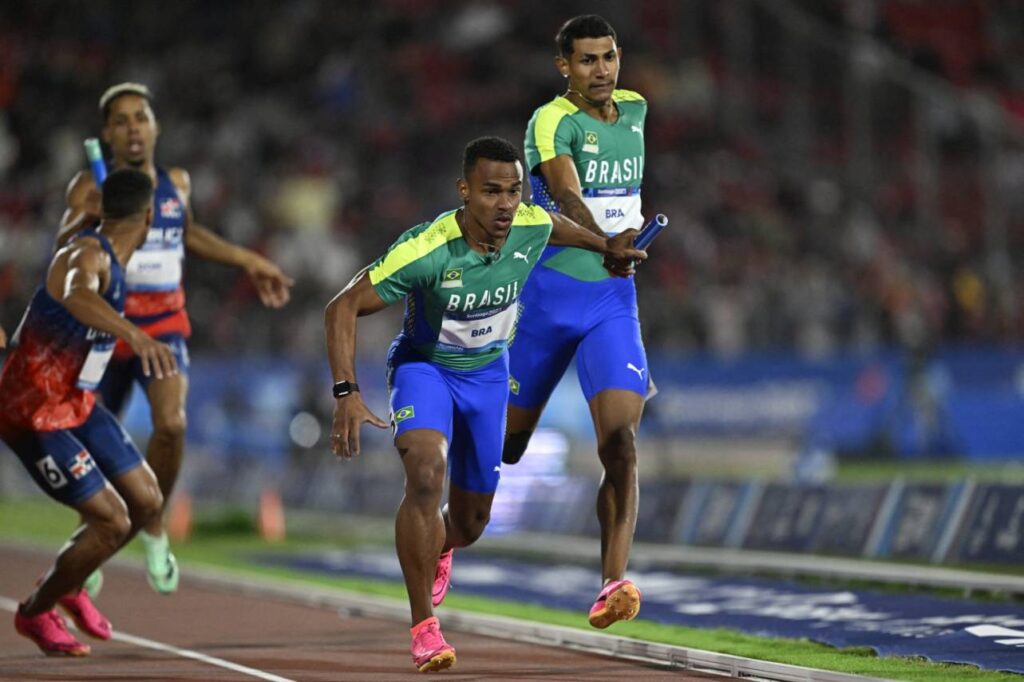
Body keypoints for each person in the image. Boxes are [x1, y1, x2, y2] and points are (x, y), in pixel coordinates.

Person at [325, 137, 643, 672]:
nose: (504, 204)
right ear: (464, 191)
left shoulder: (529, 224)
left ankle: (442, 543)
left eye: (514, 192)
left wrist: (605, 245)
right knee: (426, 474)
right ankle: (424, 627)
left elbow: (558, 227)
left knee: (471, 522)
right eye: (491, 191)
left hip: (490, 376)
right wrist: (346, 394)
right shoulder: (427, 248)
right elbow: (342, 306)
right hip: (425, 368)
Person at [58, 83, 294, 594]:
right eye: (120, 121)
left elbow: (188, 234)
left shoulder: (176, 184)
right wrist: (89, 217)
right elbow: (61, 251)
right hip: (105, 328)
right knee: (93, 439)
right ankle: (92, 534)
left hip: (163, 327)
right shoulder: (87, 187)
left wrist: (248, 259)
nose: (132, 128)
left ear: (155, 126)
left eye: (140, 117)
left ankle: (153, 523)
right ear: (107, 134)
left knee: (171, 425)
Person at [502, 14, 650, 629]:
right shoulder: (550, 119)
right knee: (504, 448)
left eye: (609, 57)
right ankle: (449, 532)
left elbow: (627, 195)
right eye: (587, 60)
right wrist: (604, 241)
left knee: (620, 443)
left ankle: (612, 583)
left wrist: (627, 239)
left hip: (612, 301)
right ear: (564, 66)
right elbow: (562, 196)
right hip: (547, 296)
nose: (601, 71)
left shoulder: (638, 110)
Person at [1, 169, 178, 656]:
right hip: (32, 411)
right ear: (146, 216)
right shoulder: (86, 254)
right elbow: (78, 294)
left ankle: (71, 579)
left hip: (76, 403)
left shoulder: (115, 260)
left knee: (146, 502)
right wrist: (137, 335)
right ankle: (36, 611)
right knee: (112, 523)